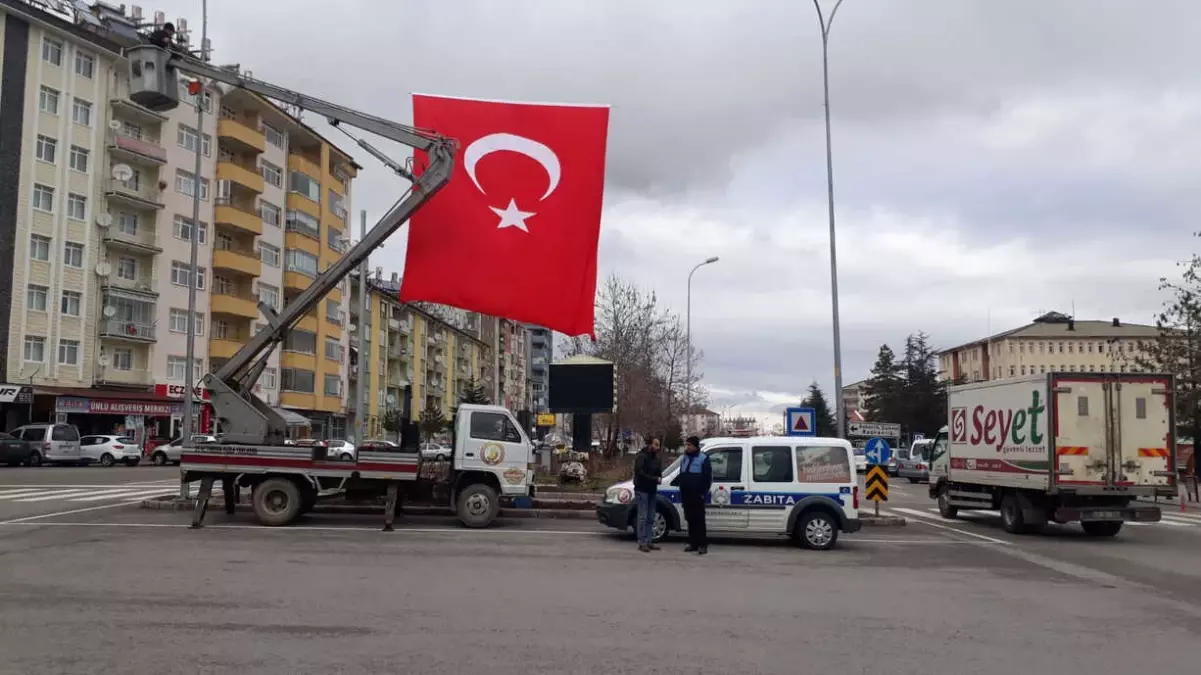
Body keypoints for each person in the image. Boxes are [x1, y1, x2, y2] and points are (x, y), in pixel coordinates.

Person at [674, 436, 712, 554]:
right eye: (687, 445)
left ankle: (702, 545)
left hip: (697, 494)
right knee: (690, 519)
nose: (687, 447)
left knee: (699, 519)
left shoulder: (703, 458)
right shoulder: (684, 458)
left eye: (689, 445)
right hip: (686, 493)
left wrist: (703, 492)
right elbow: (682, 474)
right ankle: (693, 543)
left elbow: (707, 478)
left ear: (695, 446)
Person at [632, 436, 663, 552]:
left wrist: (659, 477)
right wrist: (655, 479)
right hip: (642, 490)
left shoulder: (657, 459)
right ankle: (642, 542)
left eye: (658, 445)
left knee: (651, 517)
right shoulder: (641, 456)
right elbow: (639, 473)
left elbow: (659, 472)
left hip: (652, 490)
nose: (657, 447)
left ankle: (649, 541)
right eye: (655, 444)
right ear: (650, 444)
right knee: (642, 517)